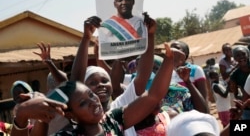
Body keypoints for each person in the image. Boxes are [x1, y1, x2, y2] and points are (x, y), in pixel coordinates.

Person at [13, 42, 183, 136]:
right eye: (82, 103)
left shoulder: (113, 121)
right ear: (71, 115)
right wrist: (22, 116)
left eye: (91, 95)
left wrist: (168, 60)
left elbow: (153, 96)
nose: (93, 102)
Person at [229, 45, 250, 119]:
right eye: (238, 55)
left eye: (243, 54)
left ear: (248, 55)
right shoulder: (234, 75)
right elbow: (235, 94)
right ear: (234, 58)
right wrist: (243, 102)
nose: (241, 57)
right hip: (247, 108)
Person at [219, 43, 238, 107]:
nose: (229, 51)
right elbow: (224, 76)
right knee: (234, 105)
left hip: (239, 84)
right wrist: (234, 69)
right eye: (226, 50)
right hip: (230, 86)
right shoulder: (222, 62)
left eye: (230, 49)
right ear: (224, 52)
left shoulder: (235, 59)